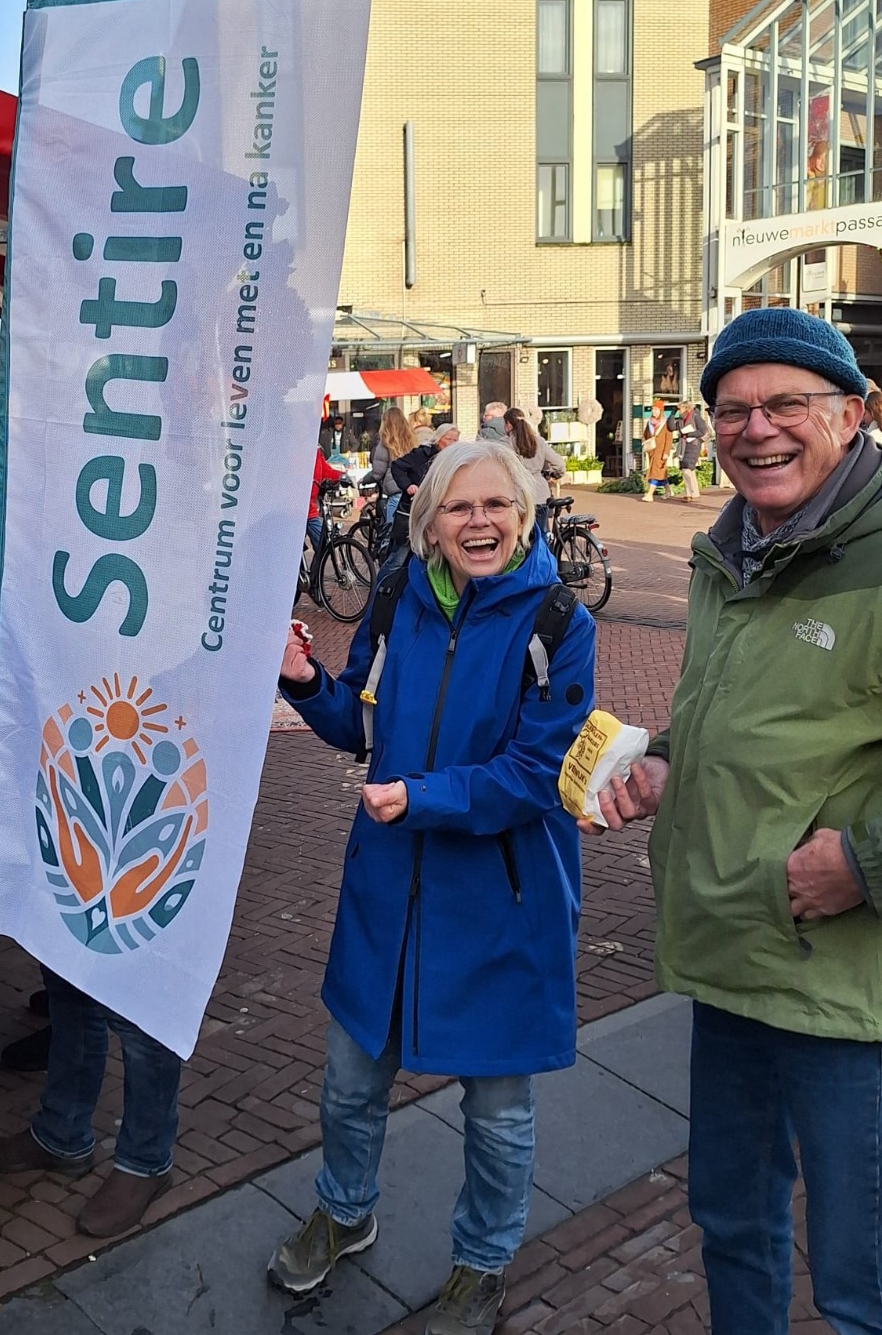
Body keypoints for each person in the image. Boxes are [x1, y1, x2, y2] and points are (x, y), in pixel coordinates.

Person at [591, 307, 882, 1335]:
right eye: (733, 409)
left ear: (853, 413)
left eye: (786, 404)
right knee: (733, 1222)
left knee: (860, 1281)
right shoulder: (734, 548)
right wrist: (668, 757)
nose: (756, 429)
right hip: (733, 960)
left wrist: (862, 860)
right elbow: (737, 708)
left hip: (850, 994)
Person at [268, 440, 595, 1335]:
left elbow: (537, 773)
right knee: (347, 1079)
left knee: (496, 1110)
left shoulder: (560, 624)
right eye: (458, 507)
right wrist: (305, 682)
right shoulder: (393, 596)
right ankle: (344, 1209)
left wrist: (420, 797)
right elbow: (360, 725)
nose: (478, 522)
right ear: (429, 522)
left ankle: (481, 1265)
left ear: (523, 516)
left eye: (497, 505)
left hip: (502, 897)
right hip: (389, 885)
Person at [0, 450, 184, 1240]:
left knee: (142, 992)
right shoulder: (50, 551)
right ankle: (63, 1132)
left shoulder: (163, 541)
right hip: (73, 774)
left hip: (147, 781)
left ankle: (147, 1159)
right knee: (69, 975)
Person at [386, 423, 459, 563]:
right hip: (412, 512)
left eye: (455, 440)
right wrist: (408, 485)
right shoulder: (421, 454)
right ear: (438, 439)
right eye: (449, 439)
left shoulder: (452, 460)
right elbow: (397, 466)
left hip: (436, 514)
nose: (452, 443)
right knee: (398, 559)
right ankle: (381, 584)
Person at [502, 408, 565, 530]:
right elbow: (559, 464)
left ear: (508, 424)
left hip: (520, 495)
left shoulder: (506, 444)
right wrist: (554, 474)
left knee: (522, 535)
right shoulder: (539, 441)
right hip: (540, 494)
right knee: (541, 533)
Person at [371, 406, 417, 529]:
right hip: (413, 493)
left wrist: (364, 480)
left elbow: (377, 472)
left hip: (396, 493)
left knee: (391, 535)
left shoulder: (385, 443)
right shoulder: (412, 441)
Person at [672, 399, 710, 503]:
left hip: (693, 445)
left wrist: (689, 435)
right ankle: (694, 493)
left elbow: (703, 431)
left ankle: (689, 494)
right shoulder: (680, 420)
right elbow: (670, 427)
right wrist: (672, 414)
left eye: (680, 409)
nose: (679, 411)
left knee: (686, 468)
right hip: (684, 446)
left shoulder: (696, 417)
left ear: (686, 409)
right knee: (689, 469)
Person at [308, 448, 344, 551]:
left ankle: (316, 566)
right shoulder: (293, 451)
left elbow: (326, 470)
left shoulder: (316, 452)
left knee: (322, 545)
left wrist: (341, 476)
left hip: (310, 510)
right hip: (293, 512)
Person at [640, 398, 673, 502]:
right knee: (660, 473)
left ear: (660, 411)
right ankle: (668, 490)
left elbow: (669, 439)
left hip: (661, 452)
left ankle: (649, 494)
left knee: (655, 472)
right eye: (653, 409)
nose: (654, 412)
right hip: (652, 451)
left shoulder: (665, 423)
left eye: (656, 410)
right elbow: (645, 435)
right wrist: (644, 442)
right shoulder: (649, 422)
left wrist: (666, 452)